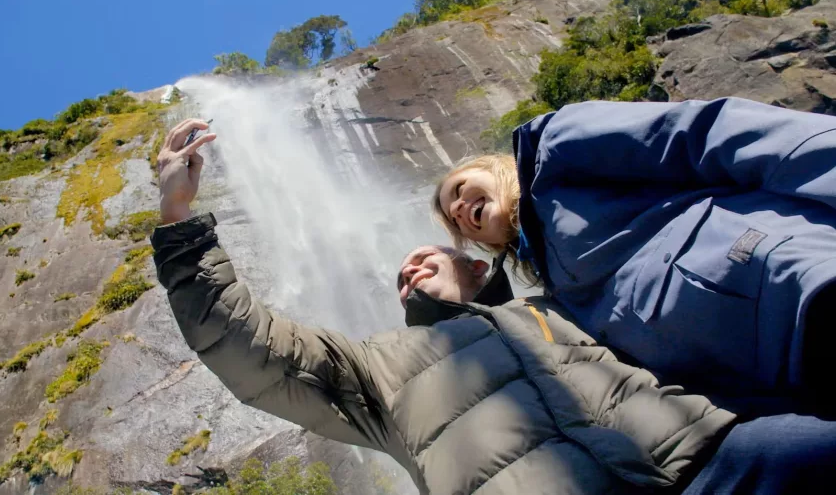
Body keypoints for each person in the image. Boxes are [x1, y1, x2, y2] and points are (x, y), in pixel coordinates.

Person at [151, 119, 741, 495]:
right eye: (401, 277)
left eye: (424, 257)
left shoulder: (561, 303)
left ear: (479, 266)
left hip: (716, 461)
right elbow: (246, 346)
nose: (406, 271)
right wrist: (178, 218)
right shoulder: (374, 367)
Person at [433, 98, 836, 411]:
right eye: (454, 222)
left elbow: (706, 133)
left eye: (458, 188)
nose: (456, 209)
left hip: (797, 284)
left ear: (491, 168)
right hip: (785, 378)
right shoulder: (554, 292)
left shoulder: (554, 148)